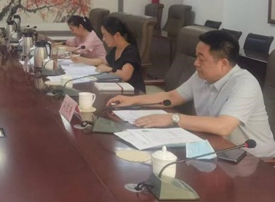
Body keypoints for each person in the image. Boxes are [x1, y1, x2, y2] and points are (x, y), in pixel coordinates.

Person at [107, 30, 275, 158]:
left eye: (201, 59)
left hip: (255, 160)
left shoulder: (244, 84)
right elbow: (172, 97)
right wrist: (132, 100)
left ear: (223, 63)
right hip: (219, 150)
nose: (195, 63)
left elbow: (223, 126)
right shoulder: (202, 76)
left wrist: (173, 118)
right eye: (196, 57)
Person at [72, 16, 145, 92]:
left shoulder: (130, 52)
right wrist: (81, 60)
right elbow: (102, 61)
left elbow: (125, 75)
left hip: (133, 93)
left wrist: (107, 69)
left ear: (117, 35)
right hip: (118, 88)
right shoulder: (116, 49)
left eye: (105, 35)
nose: (103, 39)